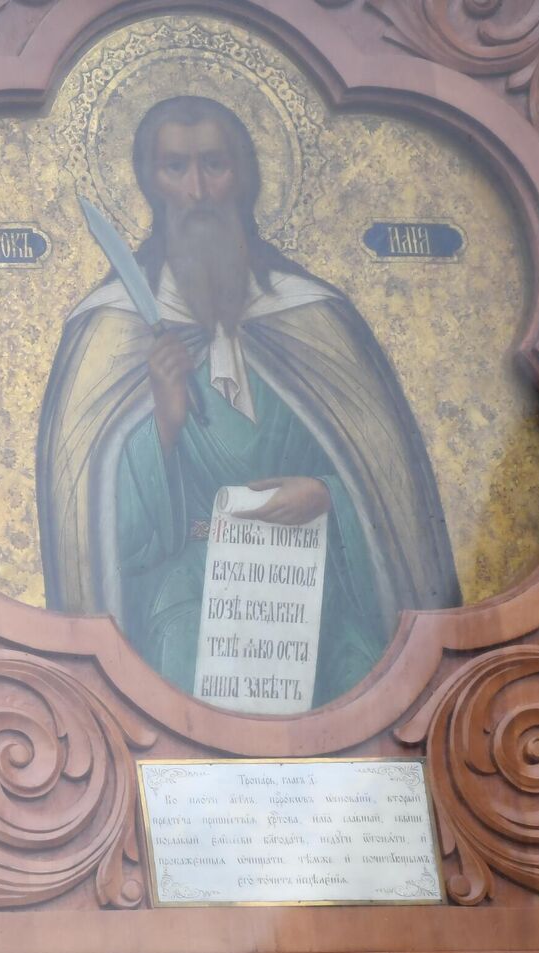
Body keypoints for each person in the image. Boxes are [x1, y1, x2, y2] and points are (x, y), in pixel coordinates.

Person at [35, 95, 458, 709]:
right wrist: (166, 421)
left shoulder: (313, 316)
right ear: (149, 183)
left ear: (246, 178)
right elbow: (97, 526)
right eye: (174, 169)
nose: (197, 191)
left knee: (364, 685)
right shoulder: (111, 330)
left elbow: (388, 485)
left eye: (215, 165)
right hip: (192, 596)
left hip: (321, 586)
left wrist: (325, 495)